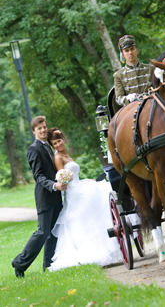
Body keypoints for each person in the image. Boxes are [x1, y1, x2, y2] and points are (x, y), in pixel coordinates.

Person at [47, 128, 122, 271]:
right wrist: (63, 180)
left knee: (99, 200)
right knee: (95, 199)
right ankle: (89, 252)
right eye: (54, 143)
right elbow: (62, 175)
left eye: (59, 141)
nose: (57, 145)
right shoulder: (58, 157)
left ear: (63, 139)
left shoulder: (66, 154)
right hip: (73, 192)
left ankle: (103, 247)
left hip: (79, 186)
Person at [11, 116, 66, 278]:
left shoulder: (47, 147)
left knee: (53, 232)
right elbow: (38, 176)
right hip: (44, 197)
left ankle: (48, 266)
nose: (43, 130)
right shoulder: (33, 149)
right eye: (39, 128)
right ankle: (20, 263)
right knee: (42, 232)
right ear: (34, 131)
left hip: (56, 198)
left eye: (44, 127)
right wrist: (54, 185)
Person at [114, 34, 153, 107]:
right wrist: (128, 98)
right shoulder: (118, 75)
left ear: (136, 50)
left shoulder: (151, 69)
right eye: (126, 51)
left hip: (152, 105)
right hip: (131, 109)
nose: (130, 53)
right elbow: (118, 98)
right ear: (123, 54)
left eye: (132, 49)